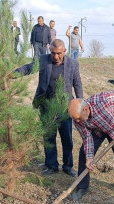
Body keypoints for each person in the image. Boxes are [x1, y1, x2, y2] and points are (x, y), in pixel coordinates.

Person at [15, 39, 83, 176]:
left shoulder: (73, 64)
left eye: (58, 53)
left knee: (67, 139)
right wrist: (15, 73)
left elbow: (78, 84)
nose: (55, 56)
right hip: (46, 105)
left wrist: (80, 105)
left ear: (64, 51)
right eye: (53, 53)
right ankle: (51, 165)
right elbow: (29, 67)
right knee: (48, 137)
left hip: (65, 108)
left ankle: (68, 166)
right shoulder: (43, 59)